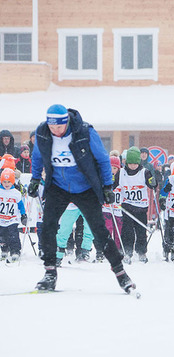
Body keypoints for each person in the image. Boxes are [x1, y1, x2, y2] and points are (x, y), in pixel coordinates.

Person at [27, 104, 136, 293]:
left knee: (99, 230)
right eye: (52, 128)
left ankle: (121, 273)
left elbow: (102, 159)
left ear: (66, 122)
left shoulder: (84, 131)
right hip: (58, 186)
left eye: (59, 128)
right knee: (48, 225)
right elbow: (37, 157)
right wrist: (35, 178)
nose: (56, 131)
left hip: (85, 187)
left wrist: (107, 186)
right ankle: (50, 272)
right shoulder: (43, 132)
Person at [119, 146, 157, 264]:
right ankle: (128, 251)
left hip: (141, 208)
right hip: (127, 207)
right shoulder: (122, 173)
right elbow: (113, 184)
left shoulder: (144, 172)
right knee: (127, 231)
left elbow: (152, 183)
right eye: (130, 163)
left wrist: (152, 182)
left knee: (141, 231)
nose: (133, 166)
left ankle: (141, 251)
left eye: (135, 163)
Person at [0, 168, 26, 262]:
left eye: (9, 182)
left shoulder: (16, 193)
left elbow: (21, 206)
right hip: (1, 219)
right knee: (2, 236)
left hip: (12, 219)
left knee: (13, 236)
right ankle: (4, 249)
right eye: (4, 181)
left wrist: (23, 215)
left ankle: (15, 251)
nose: (6, 184)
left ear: (13, 182)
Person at [101, 156, 124, 257]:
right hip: (106, 208)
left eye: (115, 168)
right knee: (108, 228)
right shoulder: (104, 177)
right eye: (110, 168)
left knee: (118, 230)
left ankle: (117, 248)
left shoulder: (122, 178)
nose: (112, 170)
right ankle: (108, 249)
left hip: (118, 209)